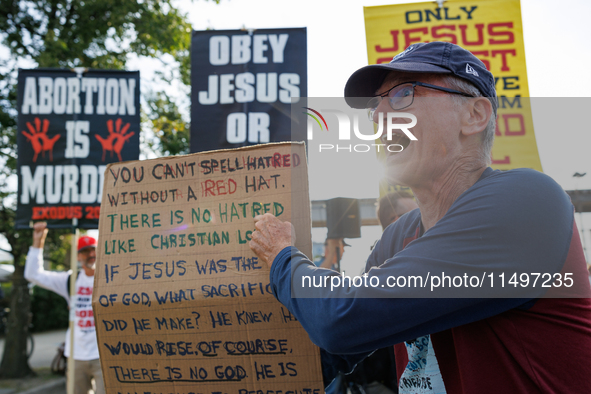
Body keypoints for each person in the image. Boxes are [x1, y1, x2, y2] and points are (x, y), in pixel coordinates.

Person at [248, 41, 591, 393]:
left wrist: (282, 257)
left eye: (402, 95)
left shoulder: (529, 200)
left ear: (474, 115)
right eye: (374, 107)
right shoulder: (398, 236)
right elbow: (336, 349)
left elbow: (343, 321)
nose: (379, 116)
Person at [25, 222, 104, 394]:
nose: (91, 254)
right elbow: (32, 274)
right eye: (85, 251)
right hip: (76, 355)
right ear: (78, 256)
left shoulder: (108, 280)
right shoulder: (71, 280)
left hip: (104, 355)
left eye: (94, 250)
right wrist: (38, 240)